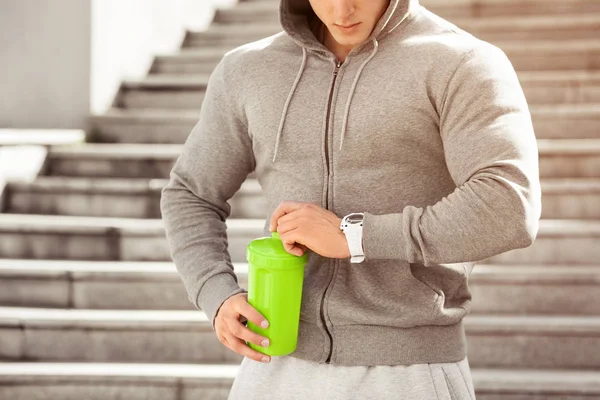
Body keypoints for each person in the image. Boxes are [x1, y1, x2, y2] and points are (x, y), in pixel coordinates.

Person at [160, 0, 542, 398]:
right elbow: (190, 193)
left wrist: (355, 237)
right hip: (274, 366)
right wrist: (215, 293)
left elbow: (508, 207)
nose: (342, 10)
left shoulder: (461, 62)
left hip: (407, 372)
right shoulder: (247, 70)